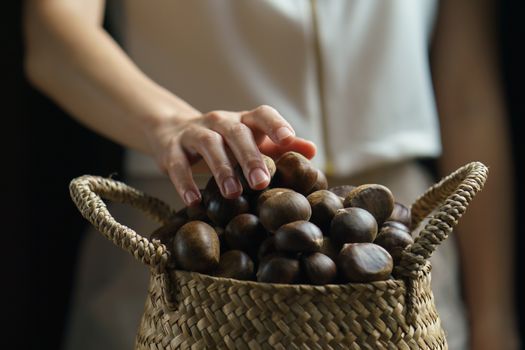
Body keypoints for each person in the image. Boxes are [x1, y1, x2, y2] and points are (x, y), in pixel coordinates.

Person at [24, 1, 519, 349]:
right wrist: (169, 122)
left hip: (397, 247)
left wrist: (494, 319)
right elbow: (53, 35)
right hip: (201, 233)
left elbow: (465, 96)